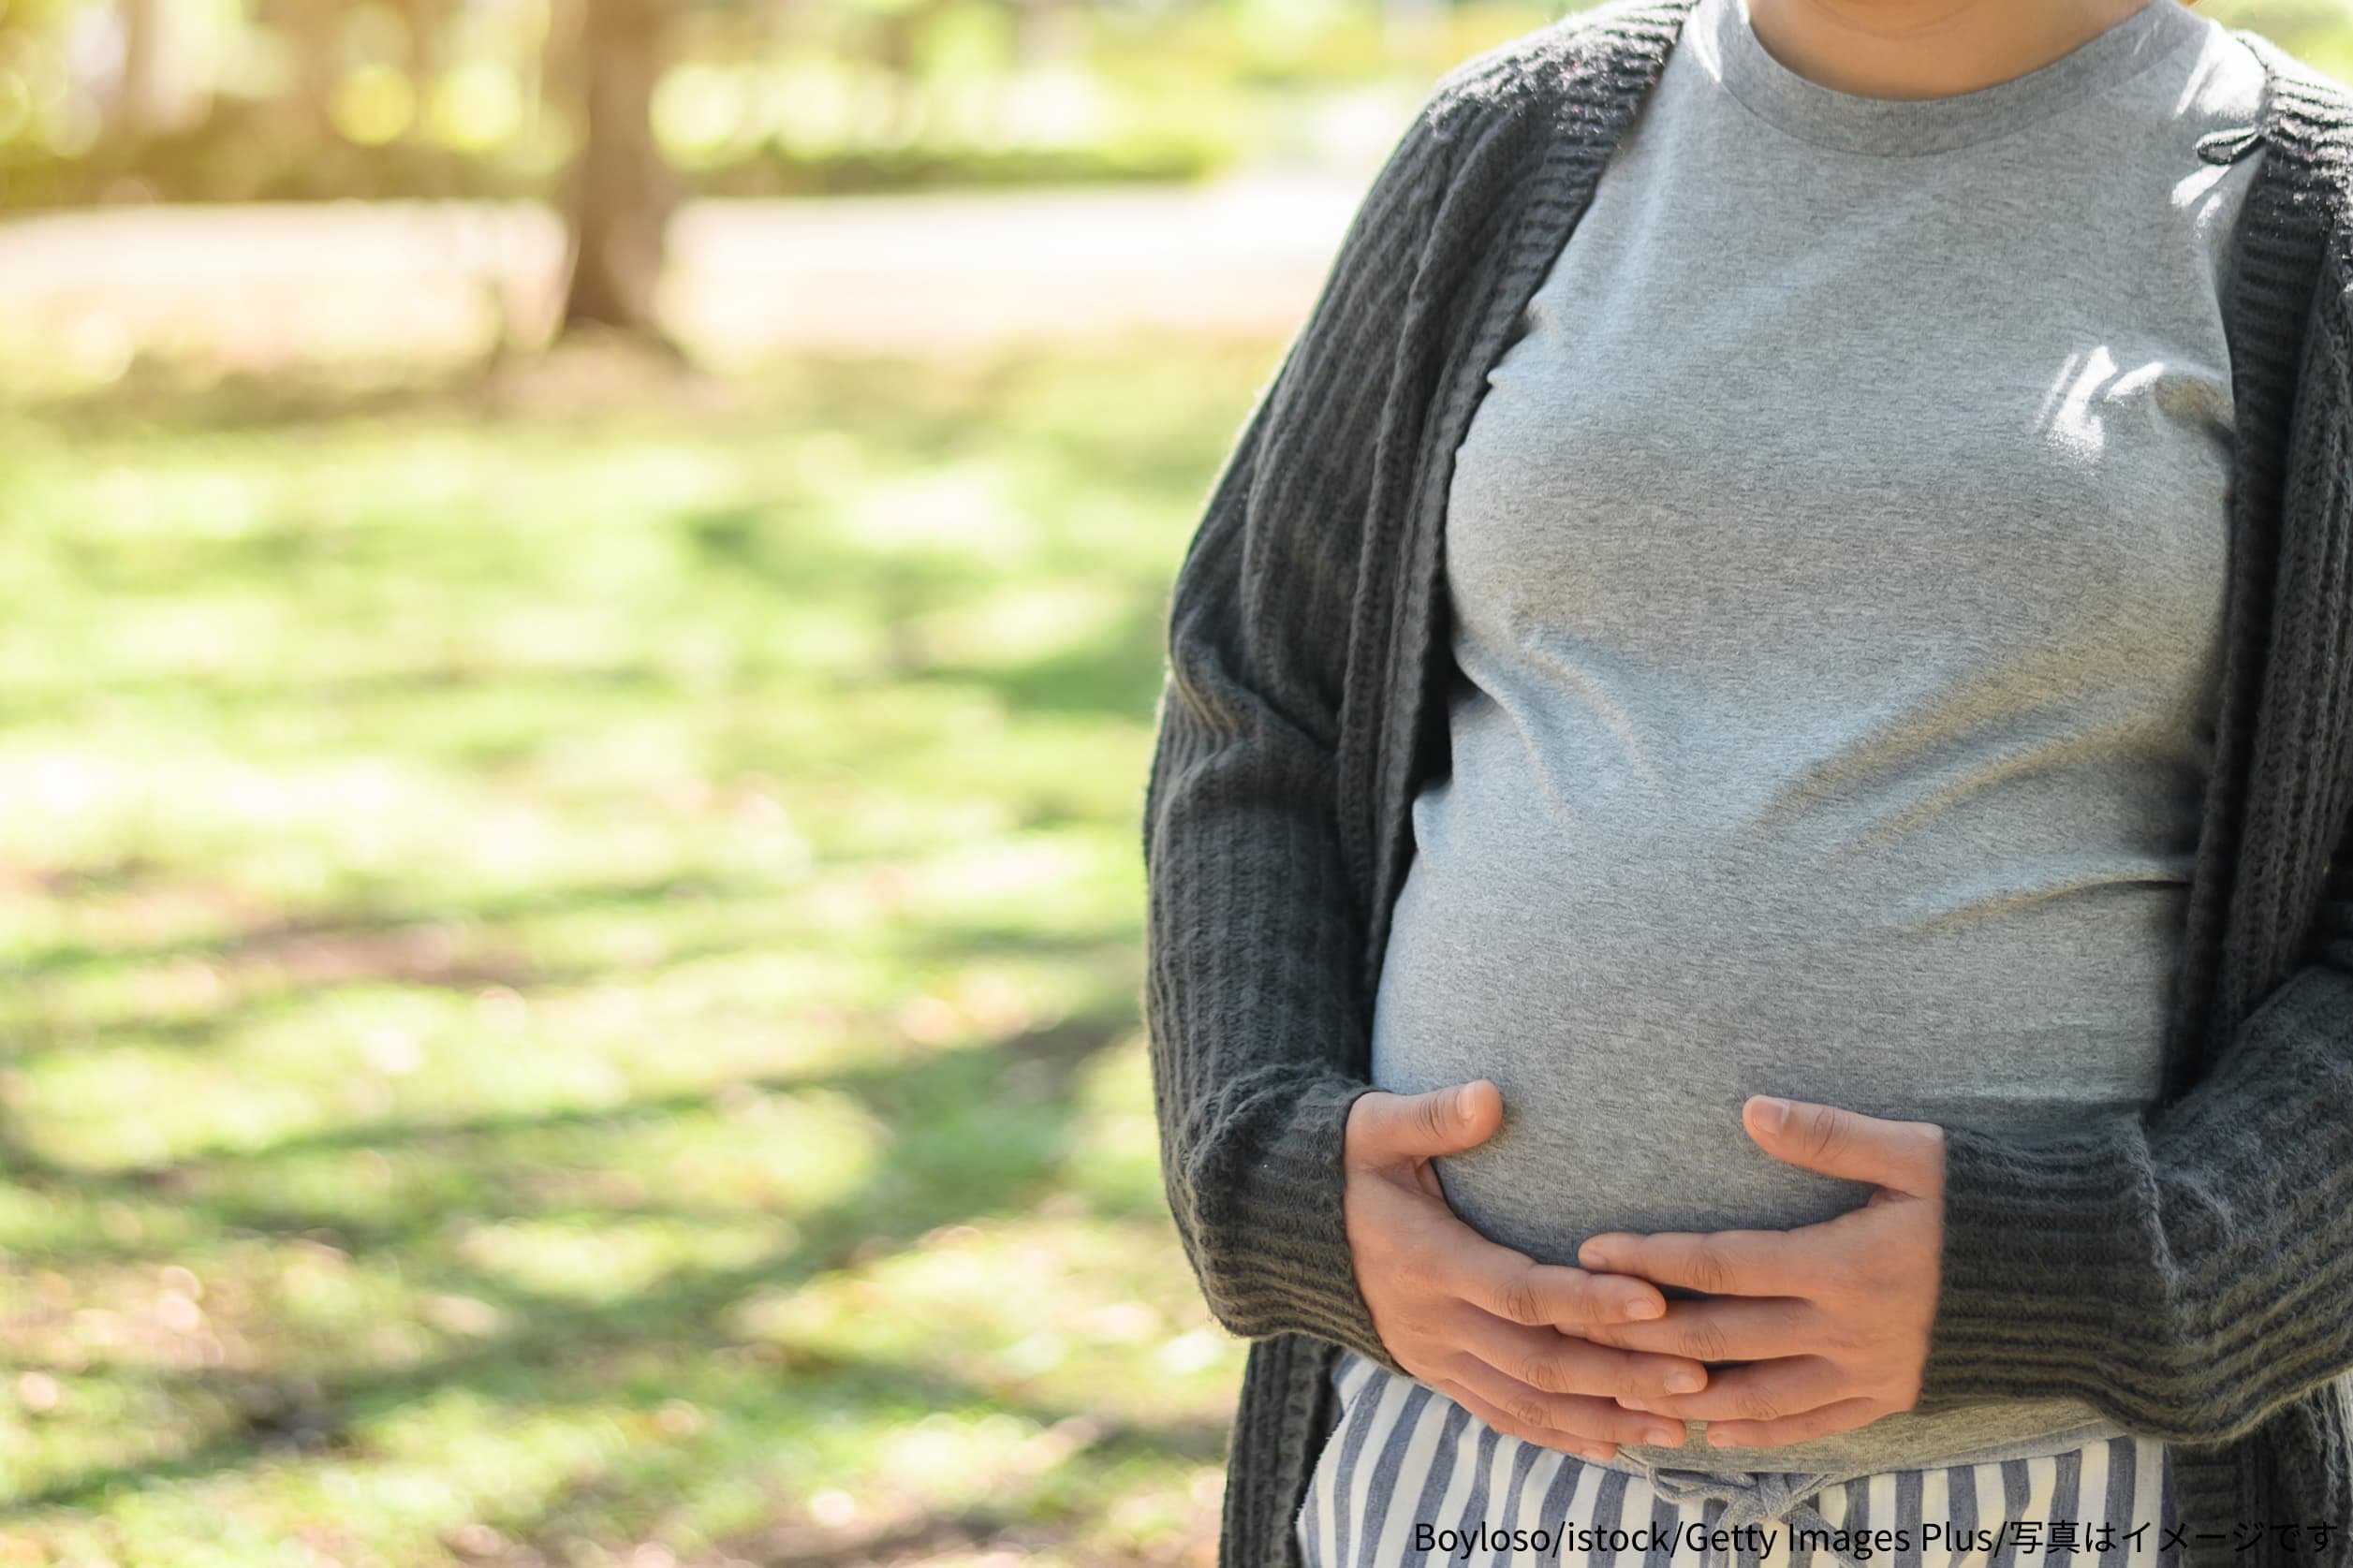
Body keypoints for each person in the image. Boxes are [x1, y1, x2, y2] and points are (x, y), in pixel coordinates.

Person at [1138, 0, 2353, 1566]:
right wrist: (1278, 1178)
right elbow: (1256, 705)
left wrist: (2128, 1273)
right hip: (1464, 1461)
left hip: (2067, 1480)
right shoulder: (1516, 145)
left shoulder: (2316, 219)